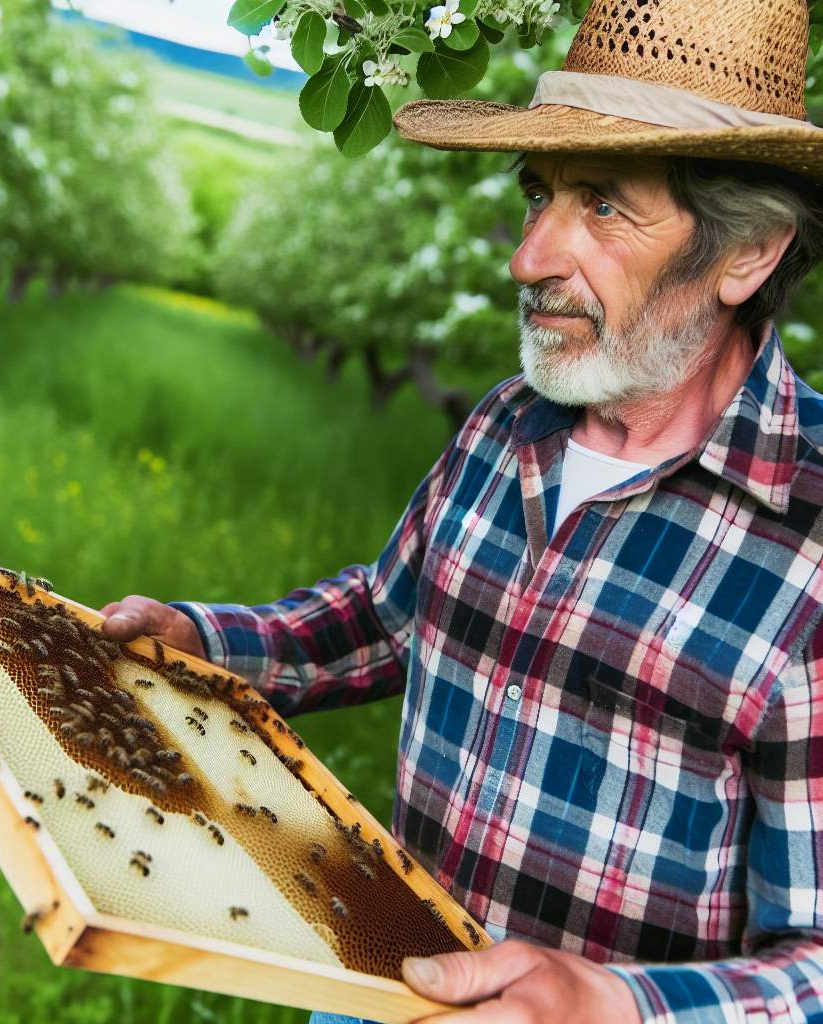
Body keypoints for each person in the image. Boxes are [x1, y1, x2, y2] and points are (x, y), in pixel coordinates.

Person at [102, 0, 823, 1019]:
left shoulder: (808, 537)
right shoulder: (509, 423)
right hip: (380, 980)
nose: (529, 256)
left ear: (745, 255)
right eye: (540, 196)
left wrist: (617, 1004)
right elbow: (392, 617)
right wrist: (206, 641)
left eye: (606, 207)